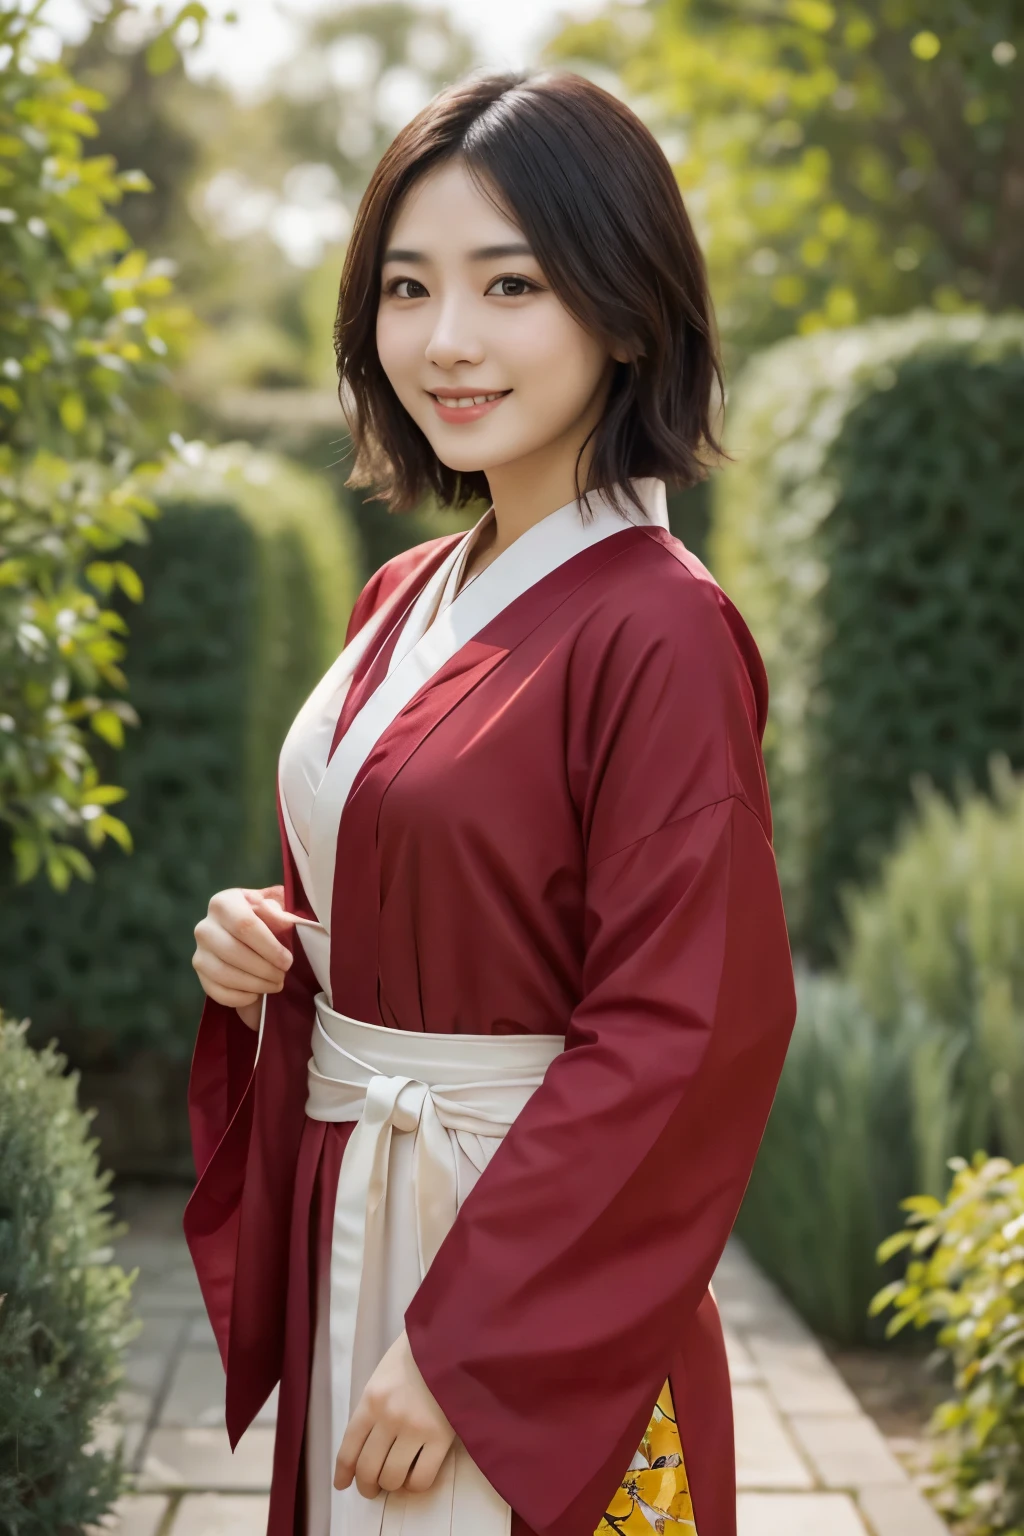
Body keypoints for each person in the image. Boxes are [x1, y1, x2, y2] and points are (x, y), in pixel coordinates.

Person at [185, 69, 796, 1536]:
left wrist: (470, 1350)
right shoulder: (406, 594)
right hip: (365, 1210)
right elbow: (409, 883)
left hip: (517, 1265)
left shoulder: (661, 628)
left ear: (627, 308)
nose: (445, 341)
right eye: (406, 288)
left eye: (509, 283)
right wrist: (268, 941)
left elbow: (683, 1032)